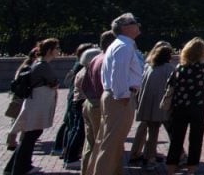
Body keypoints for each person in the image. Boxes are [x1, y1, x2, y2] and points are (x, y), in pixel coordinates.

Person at [93, 13, 144, 175]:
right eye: (134, 22)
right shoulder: (124, 46)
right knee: (111, 144)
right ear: (125, 28)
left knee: (110, 142)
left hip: (115, 96)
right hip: (120, 98)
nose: (137, 24)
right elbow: (119, 74)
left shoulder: (121, 44)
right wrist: (123, 95)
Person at [3, 38, 60, 175]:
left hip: (35, 102)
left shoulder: (37, 64)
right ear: (50, 50)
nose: (59, 51)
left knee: (30, 135)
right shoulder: (43, 66)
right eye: (57, 48)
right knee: (31, 135)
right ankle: (20, 168)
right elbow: (54, 82)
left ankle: (13, 167)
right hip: (38, 103)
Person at [165, 37, 204, 175]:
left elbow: (170, 84)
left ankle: (170, 169)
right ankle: (191, 170)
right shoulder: (202, 67)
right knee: (196, 139)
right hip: (198, 106)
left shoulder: (179, 67)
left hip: (180, 105)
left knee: (176, 139)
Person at [130, 41, 175, 170]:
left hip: (147, 103)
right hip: (160, 105)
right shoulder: (169, 69)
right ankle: (150, 158)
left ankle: (147, 157)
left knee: (151, 131)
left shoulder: (149, 67)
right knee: (166, 130)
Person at [79, 31, 114, 175]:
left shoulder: (96, 58)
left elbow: (85, 84)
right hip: (99, 105)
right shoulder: (107, 59)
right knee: (102, 143)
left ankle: (86, 171)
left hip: (89, 103)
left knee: (90, 143)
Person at [58, 42, 96, 169]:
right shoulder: (84, 70)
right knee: (79, 131)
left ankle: (68, 154)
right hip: (80, 101)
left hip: (76, 101)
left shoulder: (80, 68)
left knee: (74, 129)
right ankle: (71, 158)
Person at [5, 48, 38, 151]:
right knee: (23, 120)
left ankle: (12, 142)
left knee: (16, 120)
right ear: (34, 57)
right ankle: (20, 143)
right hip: (24, 96)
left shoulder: (23, 66)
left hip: (18, 95)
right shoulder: (30, 68)